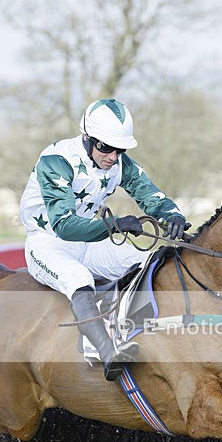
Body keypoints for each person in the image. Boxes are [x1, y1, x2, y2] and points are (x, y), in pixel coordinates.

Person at [19, 98, 188, 381]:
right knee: (78, 276)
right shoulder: (57, 161)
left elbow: (147, 192)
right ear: (86, 138)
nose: (112, 157)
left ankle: (142, 333)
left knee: (146, 262)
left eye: (119, 150)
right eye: (105, 148)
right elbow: (64, 226)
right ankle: (106, 352)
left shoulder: (119, 162)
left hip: (88, 242)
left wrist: (172, 215)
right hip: (46, 242)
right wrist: (114, 226)